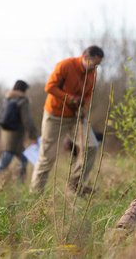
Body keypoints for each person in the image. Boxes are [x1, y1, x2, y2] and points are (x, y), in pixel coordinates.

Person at [30, 45, 104, 195]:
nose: (94, 67)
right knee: (47, 156)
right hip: (54, 116)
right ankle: (35, 193)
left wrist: (84, 106)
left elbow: (88, 94)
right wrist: (70, 98)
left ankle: (75, 185)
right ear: (85, 56)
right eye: (93, 63)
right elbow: (49, 87)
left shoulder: (93, 74)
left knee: (91, 146)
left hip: (76, 116)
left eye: (97, 65)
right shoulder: (65, 65)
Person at [0, 80, 38, 182]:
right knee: (3, 163)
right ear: (24, 90)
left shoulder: (5, 99)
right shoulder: (23, 101)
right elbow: (27, 121)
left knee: (23, 160)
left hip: (5, 138)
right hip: (15, 139)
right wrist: (33, 136)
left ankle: (19, 183)